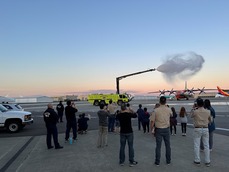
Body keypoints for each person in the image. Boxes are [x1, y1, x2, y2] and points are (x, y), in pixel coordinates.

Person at [150, 96, 172, 166]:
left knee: (158, 146)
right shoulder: (169, 109)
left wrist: (152, 130)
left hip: (158, 129)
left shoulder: (156, 110)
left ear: (159, 102)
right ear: (165, 102)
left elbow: (152, 121)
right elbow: (171, 115)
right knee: (167, 146)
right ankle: (168, 161)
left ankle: (157, 162)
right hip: (166, 129)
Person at [191, 98, 211, 167]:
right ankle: (207, 161)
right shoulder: (208, 111)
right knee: (206, 145)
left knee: (197, 145)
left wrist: (193, 108)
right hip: (205, 128)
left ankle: (197, 160)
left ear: (197, 104)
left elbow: (191, 115)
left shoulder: (195, 111)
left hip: (197, 128)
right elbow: (210, 120)